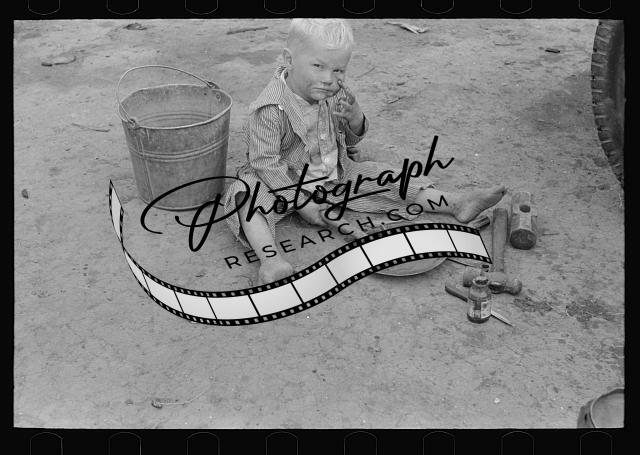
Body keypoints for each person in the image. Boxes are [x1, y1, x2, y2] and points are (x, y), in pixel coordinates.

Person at [222, 19, 505, 284]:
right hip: (281, 183)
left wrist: (354, 118)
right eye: (318, 66)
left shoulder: (333, 93)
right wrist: (301, 201)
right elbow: (265, 163)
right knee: (244, 194)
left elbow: (350, 138)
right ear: (289, 59)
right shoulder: (270, 108)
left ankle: (455, 203)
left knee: (384, 176)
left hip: (334, 176)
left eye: (338, 70)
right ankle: (271, 260)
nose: (329, 79)